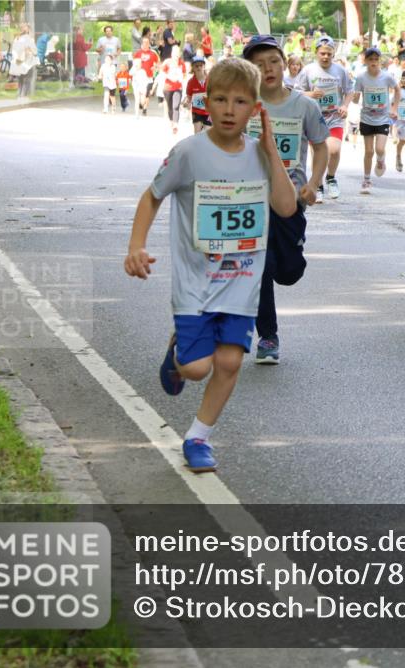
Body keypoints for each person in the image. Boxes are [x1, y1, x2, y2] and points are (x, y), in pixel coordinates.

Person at [124, 58, 297, 473]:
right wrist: (136, 245)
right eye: (219, 99)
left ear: (256, 109)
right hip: (195, 282)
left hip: (241, 281)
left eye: (240, 101)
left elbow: (287, 207)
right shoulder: (188, 152)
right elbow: (152, 195)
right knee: (197, 368)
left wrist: (272, 154)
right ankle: (177, 351)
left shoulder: (260, 156)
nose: (228, 109)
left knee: (231, 361)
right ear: (206, 101)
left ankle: (198, 437)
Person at [243, 35, 329, 364]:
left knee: (288, 271)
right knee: (260, 266)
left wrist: (314, 183)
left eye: (273, 62)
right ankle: (268, 336)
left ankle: (289, 258)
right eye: (258, 64)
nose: (267, 69)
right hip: (250, 197)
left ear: (284, 64)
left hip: (291, 197)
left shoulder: (304, 105)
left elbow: (320, 146)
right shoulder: (243, 104)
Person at [295, 36, 352, 200]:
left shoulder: (340, 71)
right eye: (322, 53)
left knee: (333, 150)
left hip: (335, 116)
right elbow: (297, 92)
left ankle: (331, 178)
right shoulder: (308, 70)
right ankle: (318, 185)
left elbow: (349, 91)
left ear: (333, 53)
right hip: (315, 117)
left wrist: (345, 106)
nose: (326, 56)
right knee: (318, 152)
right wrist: (311, 94)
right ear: (316, 53)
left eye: (329, 53)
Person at [353, 47, 399, 194]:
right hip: (366, 117)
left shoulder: (387, 77)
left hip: (383, 118)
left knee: (379, 149)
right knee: (368, 151)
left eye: (376, 59)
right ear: (365, 61)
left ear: (380, 61)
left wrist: (394, 108)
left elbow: (397, 90)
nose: (373, 62)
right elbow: (356, 97)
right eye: (370, 59)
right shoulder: (361, 77)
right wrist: (354, 96)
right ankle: (366, 180)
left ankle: (381, 160)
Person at [132, 36, 160, 116]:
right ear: (142, 43)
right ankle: (141, 104)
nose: (145, 44)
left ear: (149, 43)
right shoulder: (138, 53)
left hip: (149, 77)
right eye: (144, 42)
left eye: (147, 42)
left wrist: (155, 67)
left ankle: (145, 108)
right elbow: (134, 65)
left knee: (147, 94)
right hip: (140, 78)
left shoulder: (153, 53)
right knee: (142, 95)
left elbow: (158, 64)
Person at [10, 23, 38, 98]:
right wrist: (29, 50)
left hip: (18, 62)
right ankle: (24, 97)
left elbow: (13, 51)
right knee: (27, 80)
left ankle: (19, 96)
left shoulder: (16, 39)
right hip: (27, 63)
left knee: (20, 81)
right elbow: (35, 52)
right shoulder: (29, 39)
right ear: (28, 30)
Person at [161, 51, 186, 134]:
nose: (176, 57)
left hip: (178, 87)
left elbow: (184, 74)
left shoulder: (181, 63)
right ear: (172, 54)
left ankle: (176, 124)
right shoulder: (168, 62)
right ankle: (171, 121)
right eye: (175, 55)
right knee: (170, 106)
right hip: (168, 87)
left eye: (177, 55)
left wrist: (181, 78)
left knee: (176, 106)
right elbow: (162, 73)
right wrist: (170, 77)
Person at [184, 55, 209, 133]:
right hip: (197, 111)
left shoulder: (211, 80)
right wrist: (187, 103)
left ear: (204, 66)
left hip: (209, 112)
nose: (199, 68)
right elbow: (189, 97)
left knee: (208, 133)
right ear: (193, 68)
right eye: (196, 66)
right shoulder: (191, 82)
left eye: (201, 65)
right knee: (197, 133)